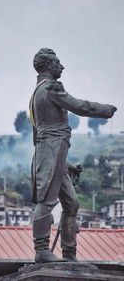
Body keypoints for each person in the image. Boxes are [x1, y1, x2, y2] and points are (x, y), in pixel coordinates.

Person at [29, 48, 117, 263]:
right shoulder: (51, 88)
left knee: (71, 204)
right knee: (46, 202)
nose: (62, 66)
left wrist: (65, 165)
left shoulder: (35, 95)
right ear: (49, 65)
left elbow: (40, 137)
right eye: (58, 62)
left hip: (53, 155)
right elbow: (77, 106)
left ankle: (69, 254)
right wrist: (104, 110)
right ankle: (41, 249)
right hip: (51, 153)